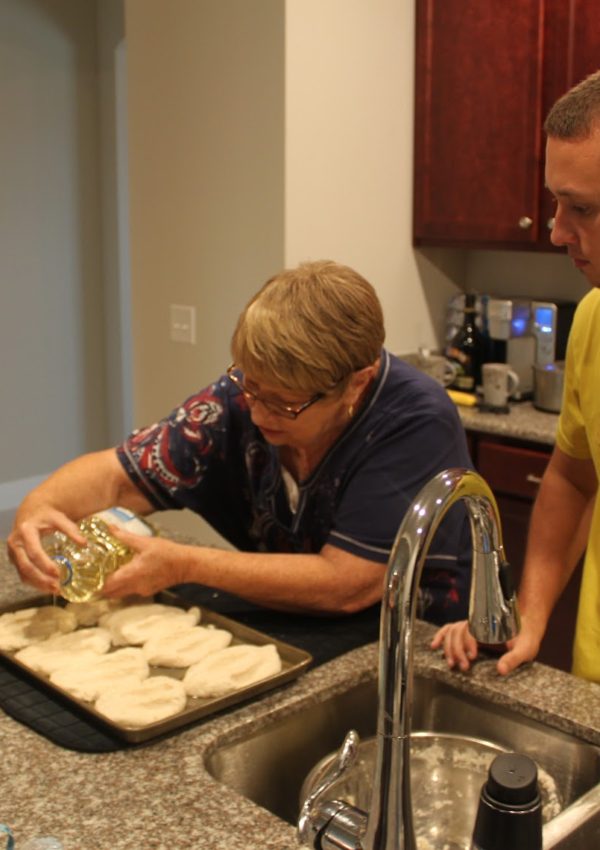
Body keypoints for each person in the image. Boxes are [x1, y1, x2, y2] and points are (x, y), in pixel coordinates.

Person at [8, 260, 473, 623]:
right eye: (250, 386)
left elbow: (347, 584)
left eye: (283, 403)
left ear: (355, 384)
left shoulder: (414, 421)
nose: (255, 411)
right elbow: (119, 476)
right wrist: (39, 508)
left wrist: (184, 564)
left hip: (417, 642)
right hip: (297, 623)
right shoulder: (244, 396)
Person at [432, 69, 600, 682]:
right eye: (557, 202)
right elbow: (575, 477)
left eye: (582, 208)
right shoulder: (593, 321)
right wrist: (526, 612)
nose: (557, 231)